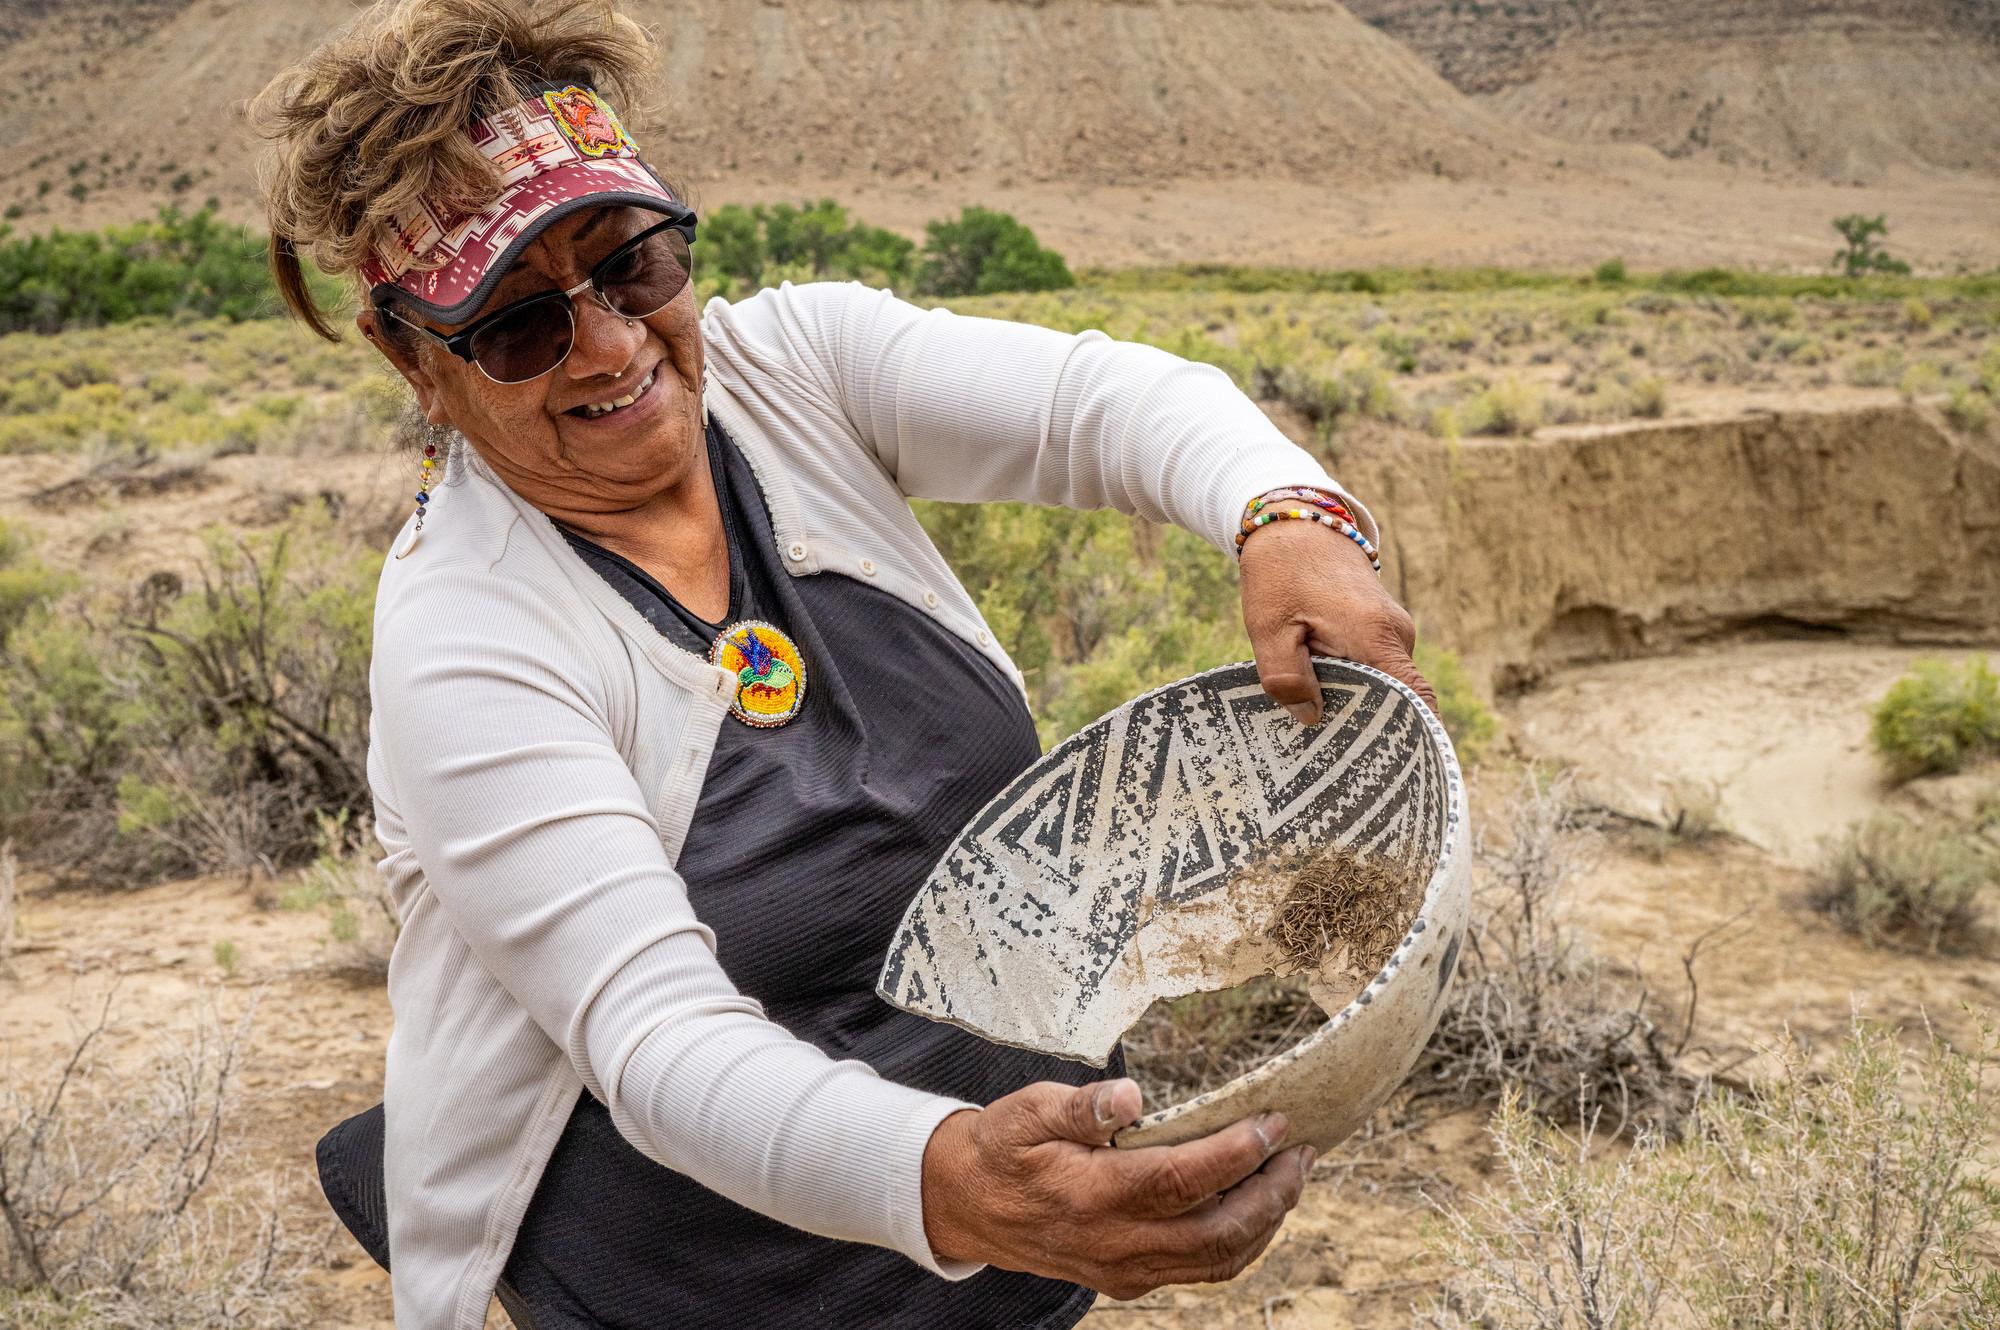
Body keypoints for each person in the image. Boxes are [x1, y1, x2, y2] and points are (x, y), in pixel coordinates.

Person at [253, 1, 1437, 1326]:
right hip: (706, 1288)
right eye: (519, 324)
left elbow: (1108, 406)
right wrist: (958, 1179)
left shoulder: (795, 368)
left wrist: (1288, 520)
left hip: (1005, 1257)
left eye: (633, 263)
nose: (610, 342)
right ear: (415, 357)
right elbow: (659, 1040)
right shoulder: (466, 643)